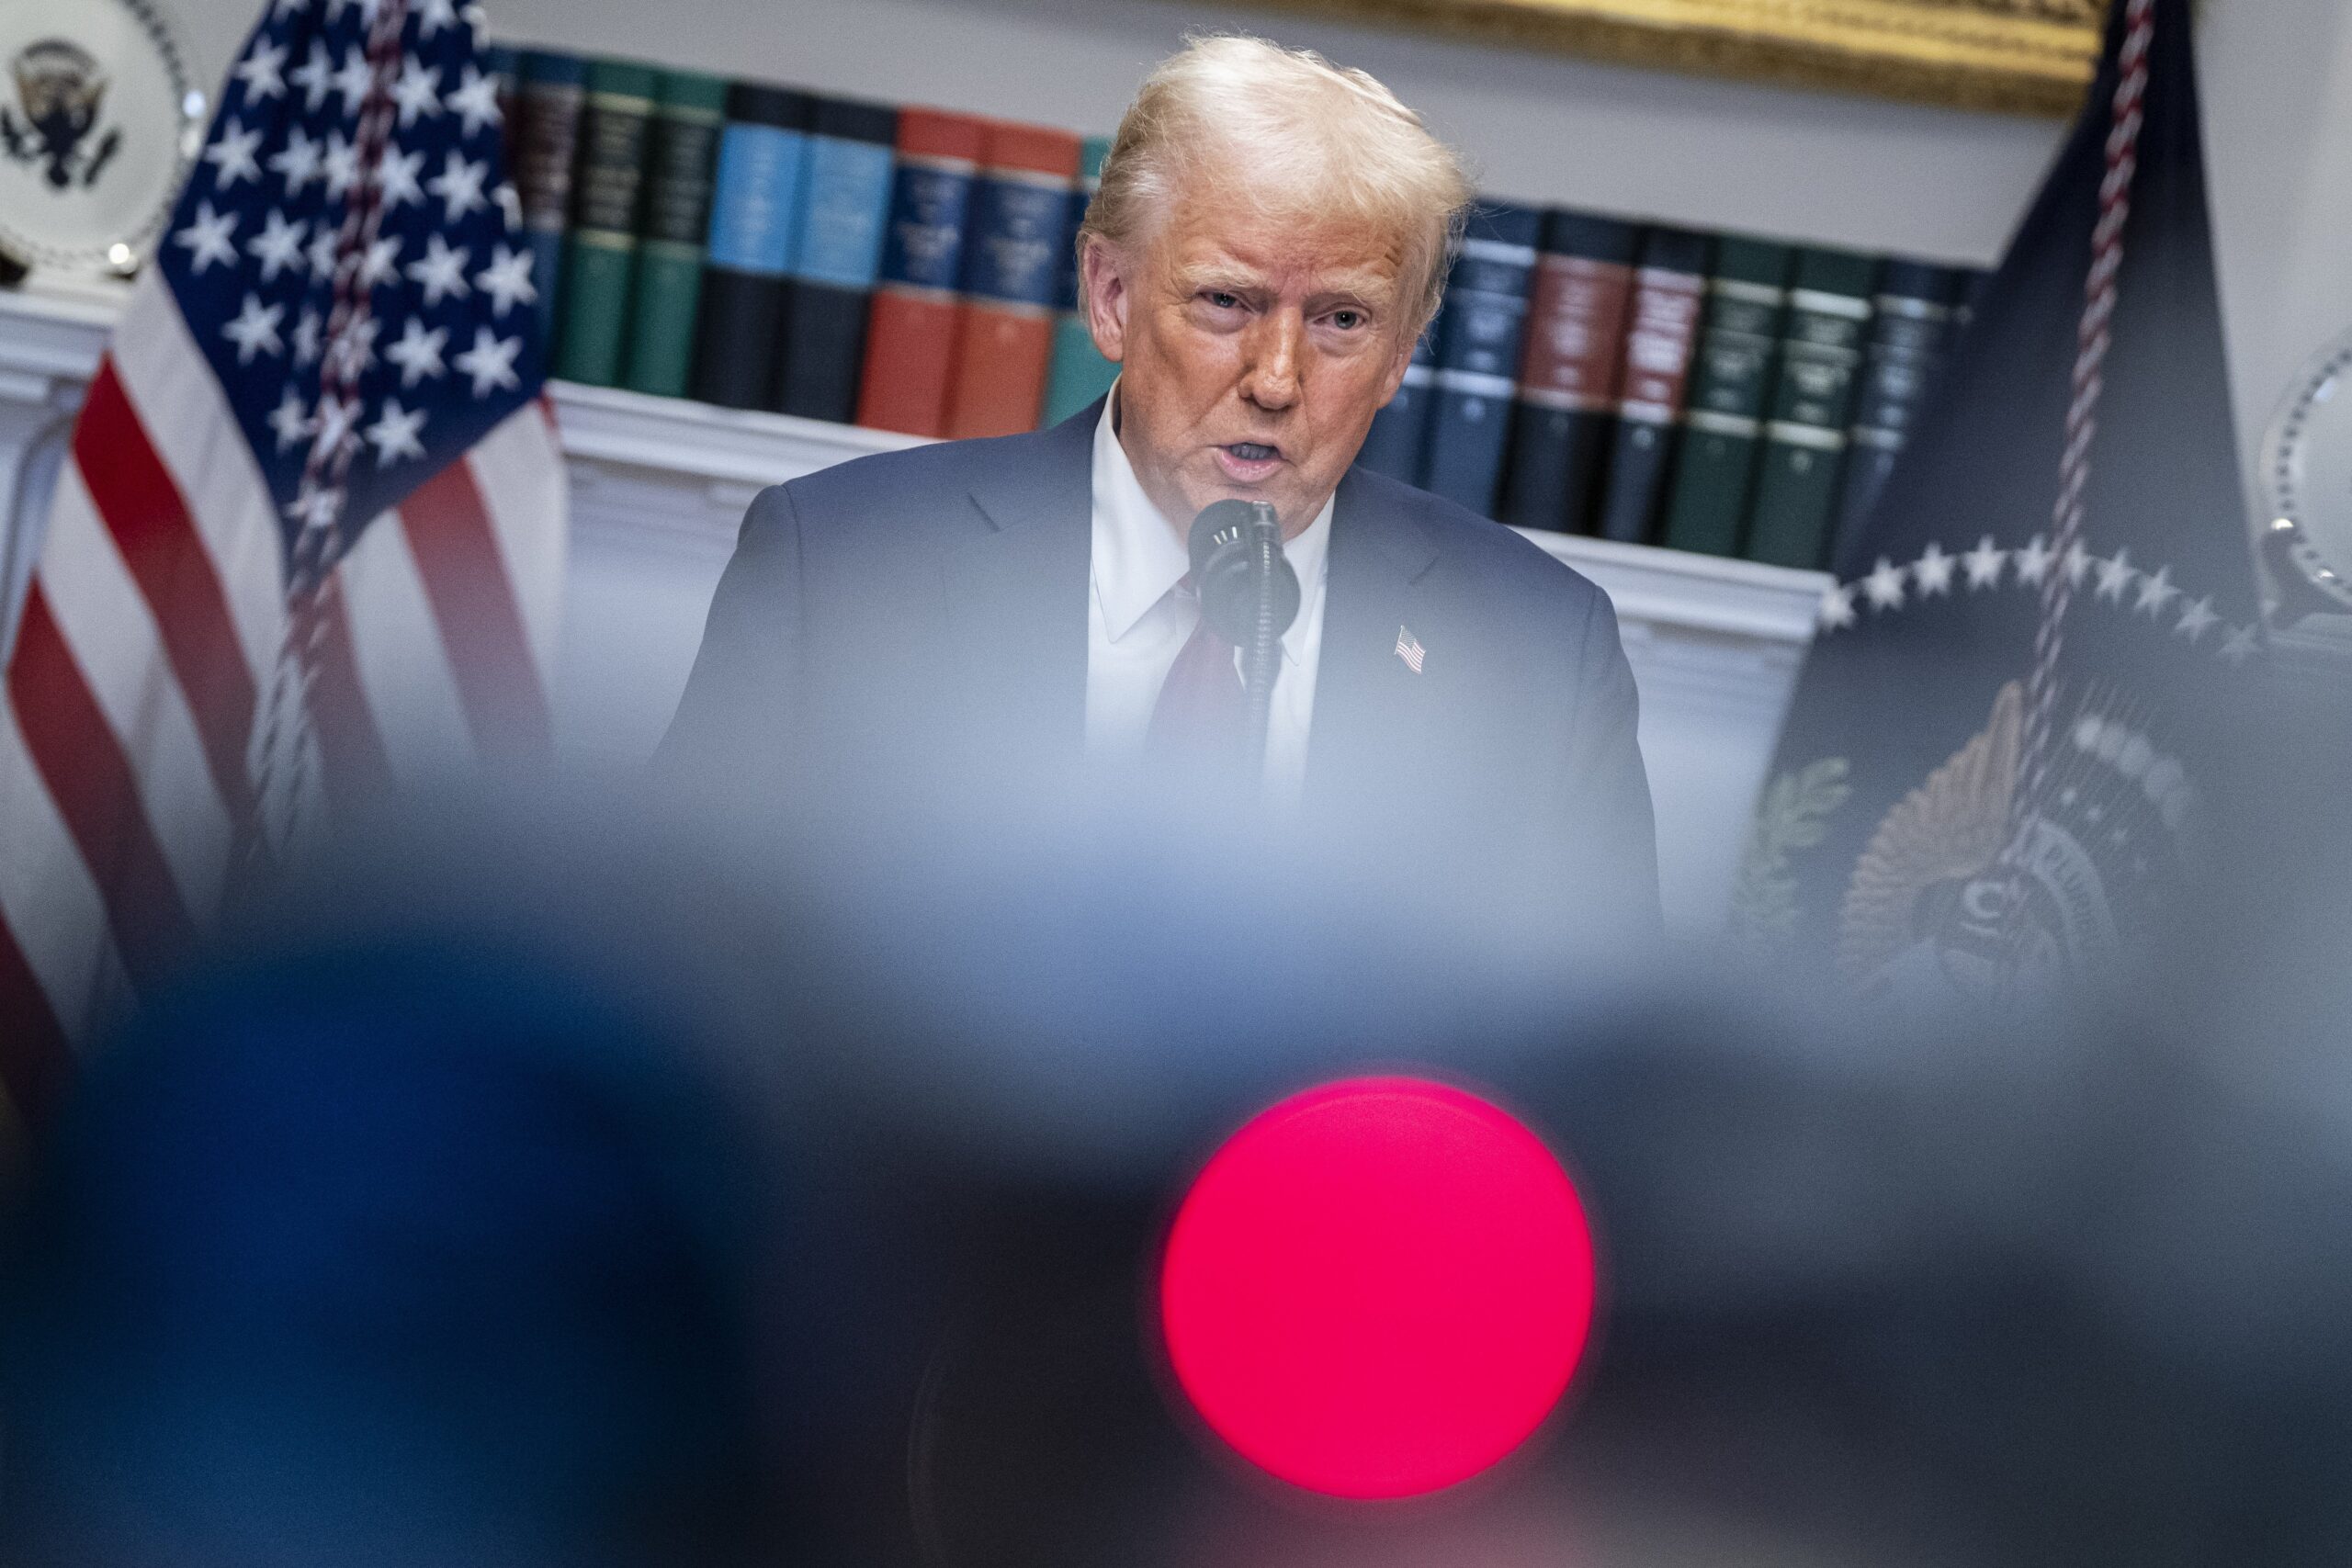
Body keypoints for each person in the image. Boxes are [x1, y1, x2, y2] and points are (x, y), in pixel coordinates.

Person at [659, 35, 1657, 929]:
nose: (1275, 380)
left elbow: (1601, 1074)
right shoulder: (837, 565)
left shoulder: (1539, 655)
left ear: (1403, 351)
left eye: (1342, 321)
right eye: (1227, 301)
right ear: (1111, 297)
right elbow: (674, 942)